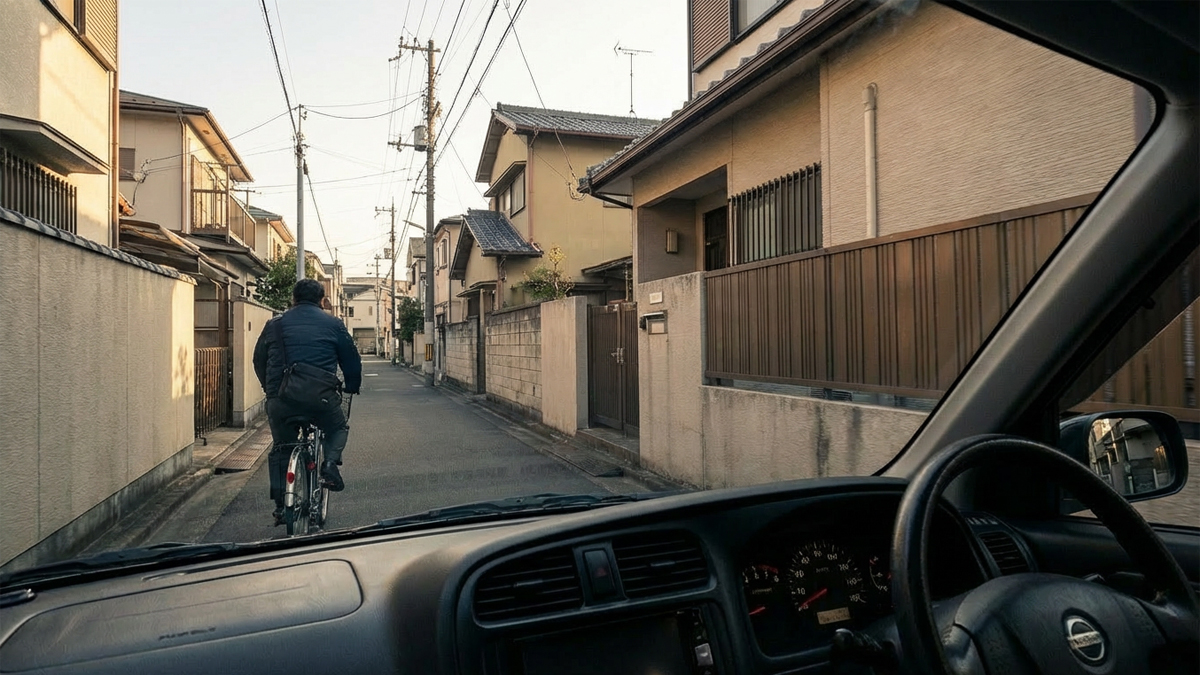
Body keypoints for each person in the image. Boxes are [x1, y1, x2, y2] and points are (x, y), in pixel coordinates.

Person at [253, 278, 362, 525]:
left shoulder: (274, 325)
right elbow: (351, 361)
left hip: (280, 399)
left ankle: (282, 506)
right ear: (322, 300)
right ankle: (331, 465)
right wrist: (352, 386)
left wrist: (270, 390)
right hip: (321, 398)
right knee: (337, 427)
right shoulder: (334, 324)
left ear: (293, 299)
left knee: (282, 447)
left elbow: (258, 360)